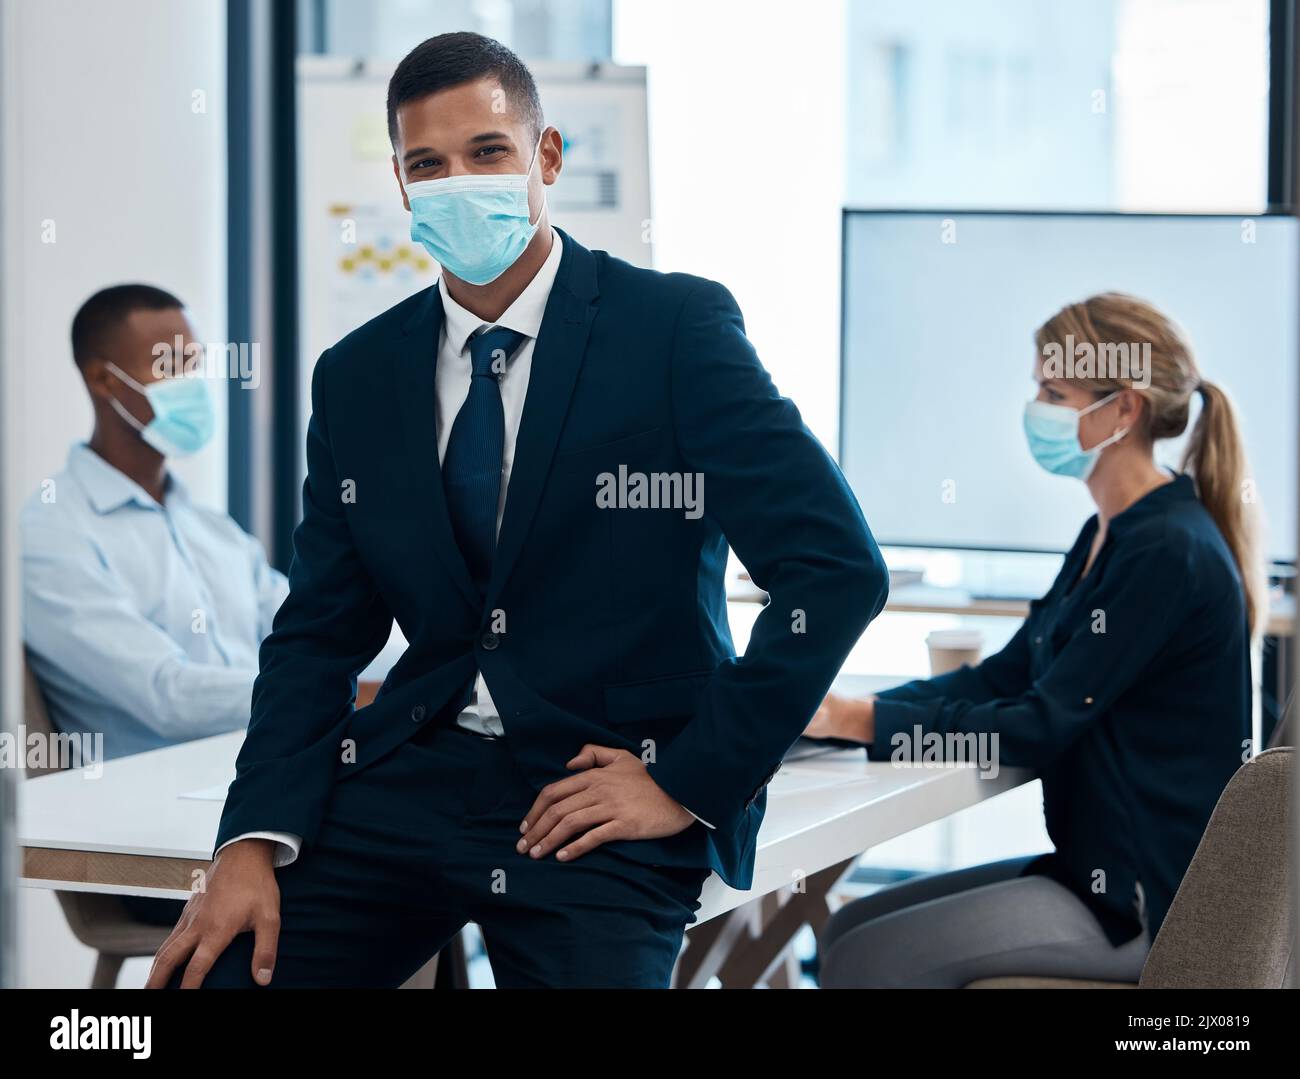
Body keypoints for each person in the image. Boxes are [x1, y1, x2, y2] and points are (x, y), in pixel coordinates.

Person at [148, 32, 888, 989]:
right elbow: (319, 632)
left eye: (487, 152)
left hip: (603, 787)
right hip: (415, 772)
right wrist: (250, 836)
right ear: (404, 185)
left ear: (546, 157)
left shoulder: (673, 332)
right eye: (429, 163)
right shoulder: (358, 376)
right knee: (208, 982)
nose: (458, 181)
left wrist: (684, 779)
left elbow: (834, 570)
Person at [808, 292, 1260, 988]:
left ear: (1124, 409)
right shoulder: (1110, 534)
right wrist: (845, 715)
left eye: (1055, 391)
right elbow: (1007, 677)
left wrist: (856, 719)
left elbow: (1039, 723)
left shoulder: (1166, 552)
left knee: (867, 957)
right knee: (841, 929)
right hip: (1093, 872)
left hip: (1143, 900)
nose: (1037, 409)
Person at [22, 284, 289, 924]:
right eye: (168, 366)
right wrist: (322, 692)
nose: (191, 383)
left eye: (194, 364)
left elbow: (303, 629)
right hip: (156, 846)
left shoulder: (209, 528)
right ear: (103, 380)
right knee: (392, 881)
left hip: (259, 796)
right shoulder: (50, 533)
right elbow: (163, 695)